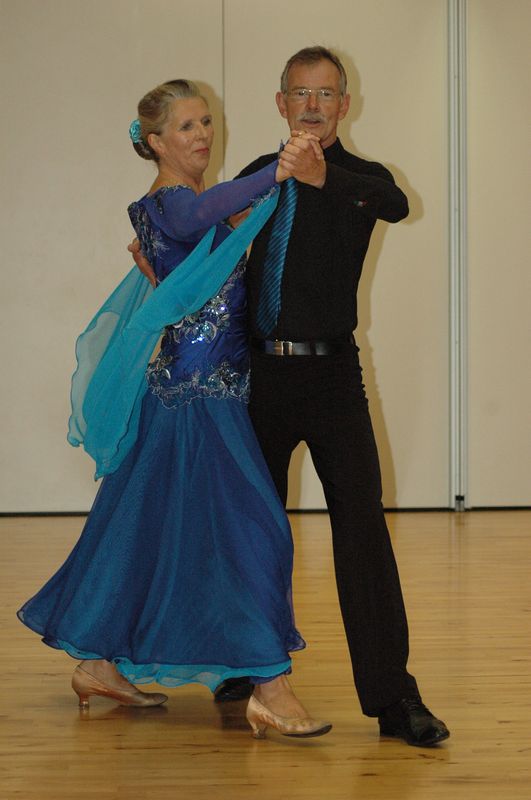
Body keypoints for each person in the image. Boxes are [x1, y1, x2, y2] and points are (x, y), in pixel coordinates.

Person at [133, 48, 450, 748]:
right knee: (248, 532)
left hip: (334, 381)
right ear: (281, 104)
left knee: (362, 533)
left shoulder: (363, 179)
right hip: (258, 380)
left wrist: (321, 175)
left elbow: (395, 207)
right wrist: (160, 268)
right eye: (300, 93)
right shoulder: (257, 175)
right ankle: (245, 668)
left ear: (344, 106)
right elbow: (204, 255)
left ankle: (394, 701)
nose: (312, 105)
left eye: (326, 94)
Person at [17, 79, 332, 740]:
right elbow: (196, 218)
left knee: (137, 530)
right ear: (156, 142)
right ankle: (271, 687)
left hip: (196, 393)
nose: (203, 135)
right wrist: (274, 172)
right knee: (256, 532)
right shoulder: (171, 203)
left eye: (206, 122)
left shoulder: (187, 211)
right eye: (187, 126)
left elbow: (199, 261)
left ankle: (98, 663)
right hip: (198, 398)